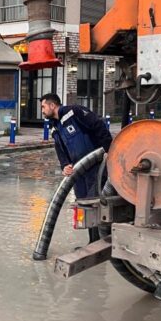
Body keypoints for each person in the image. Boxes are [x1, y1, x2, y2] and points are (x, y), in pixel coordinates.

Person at [40, 93, 112, 243]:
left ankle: (101, 242)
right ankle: (93, 241)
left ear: (52, 105)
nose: (42, 110)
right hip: (79, 173)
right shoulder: (55, 128)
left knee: (95, 203)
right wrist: (65, 165)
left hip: (96, 167)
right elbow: (61, 150)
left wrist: (108, 150)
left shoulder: (74, 112)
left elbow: (98, 125)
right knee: (84, 204)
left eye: (43, 106)